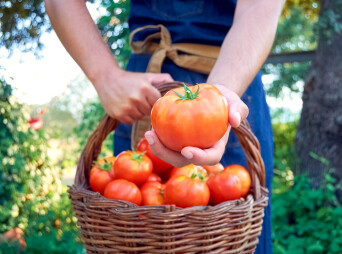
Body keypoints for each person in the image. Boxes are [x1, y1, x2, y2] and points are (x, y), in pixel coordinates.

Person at [45, 0, 285, 253]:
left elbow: (260, 6)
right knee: (132, 232)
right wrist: (105, 76)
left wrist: (219, 101)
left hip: (234, 82)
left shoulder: (224, 101)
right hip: (142, 94)